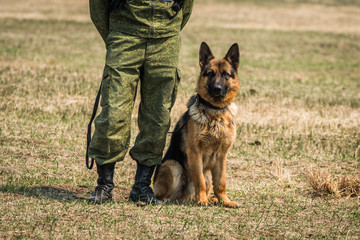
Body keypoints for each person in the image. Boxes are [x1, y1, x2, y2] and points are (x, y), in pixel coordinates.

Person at [87, 0, 194, 205]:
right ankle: (104, 184)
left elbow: (186, 6)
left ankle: (142, 186)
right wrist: (115, 36)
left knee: (158, 118)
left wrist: (167, 27)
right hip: (125, 34)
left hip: (166, 40)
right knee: (113, 113)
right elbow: (98, 7)